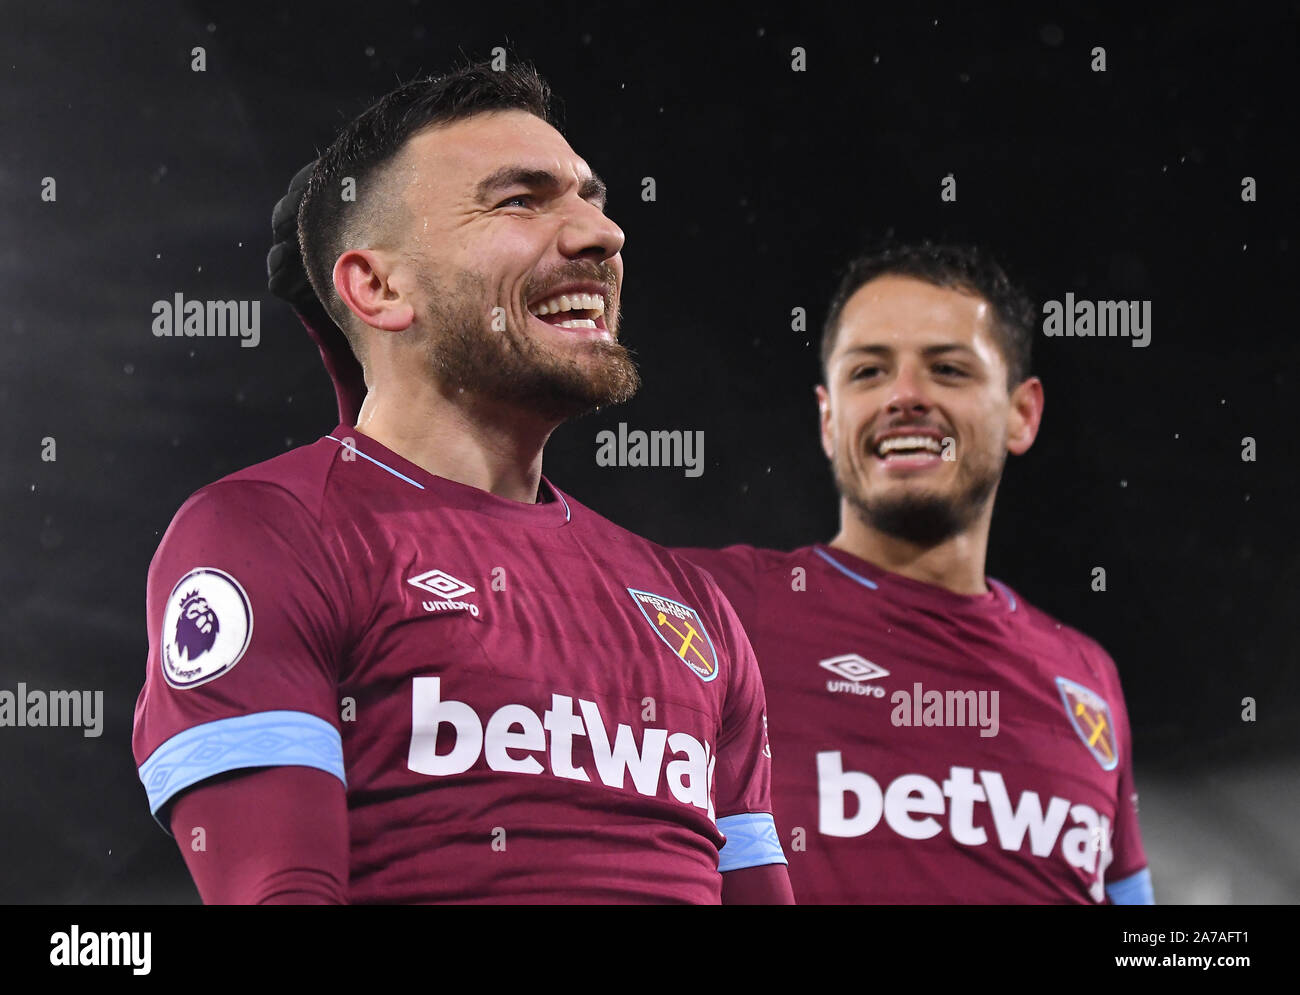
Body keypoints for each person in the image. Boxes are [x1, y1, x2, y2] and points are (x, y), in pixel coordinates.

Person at [132, 61, 791, 904]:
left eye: (591, 197)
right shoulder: (267, 536)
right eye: (521, 199)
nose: (602, 232)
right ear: (376, 285)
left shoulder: (692, 608)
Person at [678, 241, 1153, 904]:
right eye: (868, 371)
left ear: (1023, 412)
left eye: (948, 369)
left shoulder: (1089, 677)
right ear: (827, 417)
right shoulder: (710, 608)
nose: (904, 396)